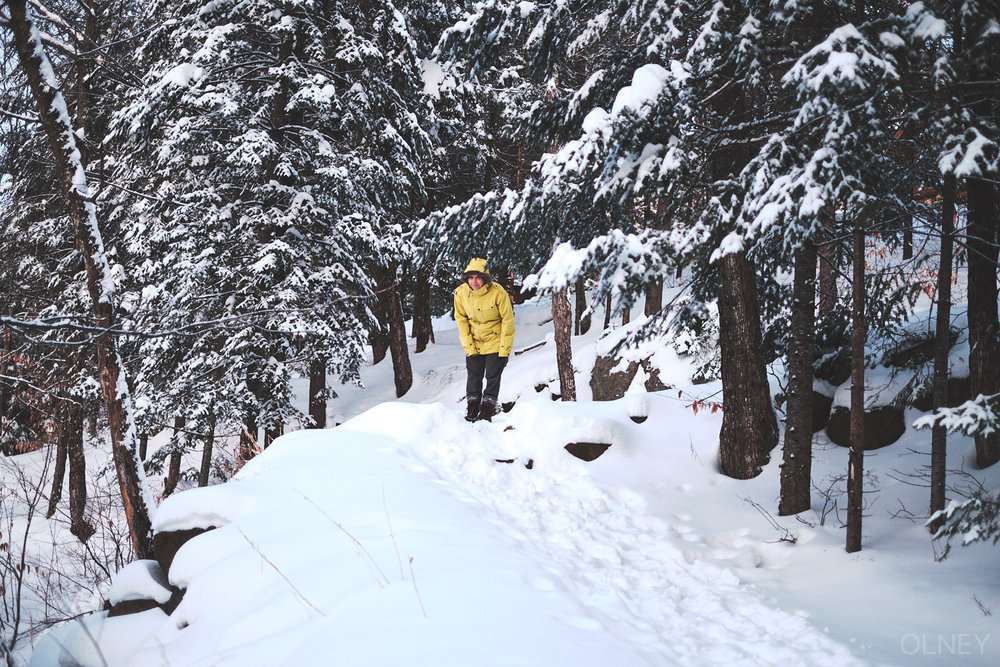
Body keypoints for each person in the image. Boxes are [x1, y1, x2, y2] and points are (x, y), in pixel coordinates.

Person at [454, 258, 515, 422]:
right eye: (470, 278)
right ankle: (472, 408)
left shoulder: (498, 292)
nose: (474, 282)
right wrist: (468, 346)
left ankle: (487, 410)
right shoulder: (461, 293)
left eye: (478, 277)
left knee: (492, 377)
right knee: (473, 377)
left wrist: (504, 350)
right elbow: (461, 320)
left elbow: (508, 321)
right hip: (474, 341)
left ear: (485, 278)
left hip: (495, 341)